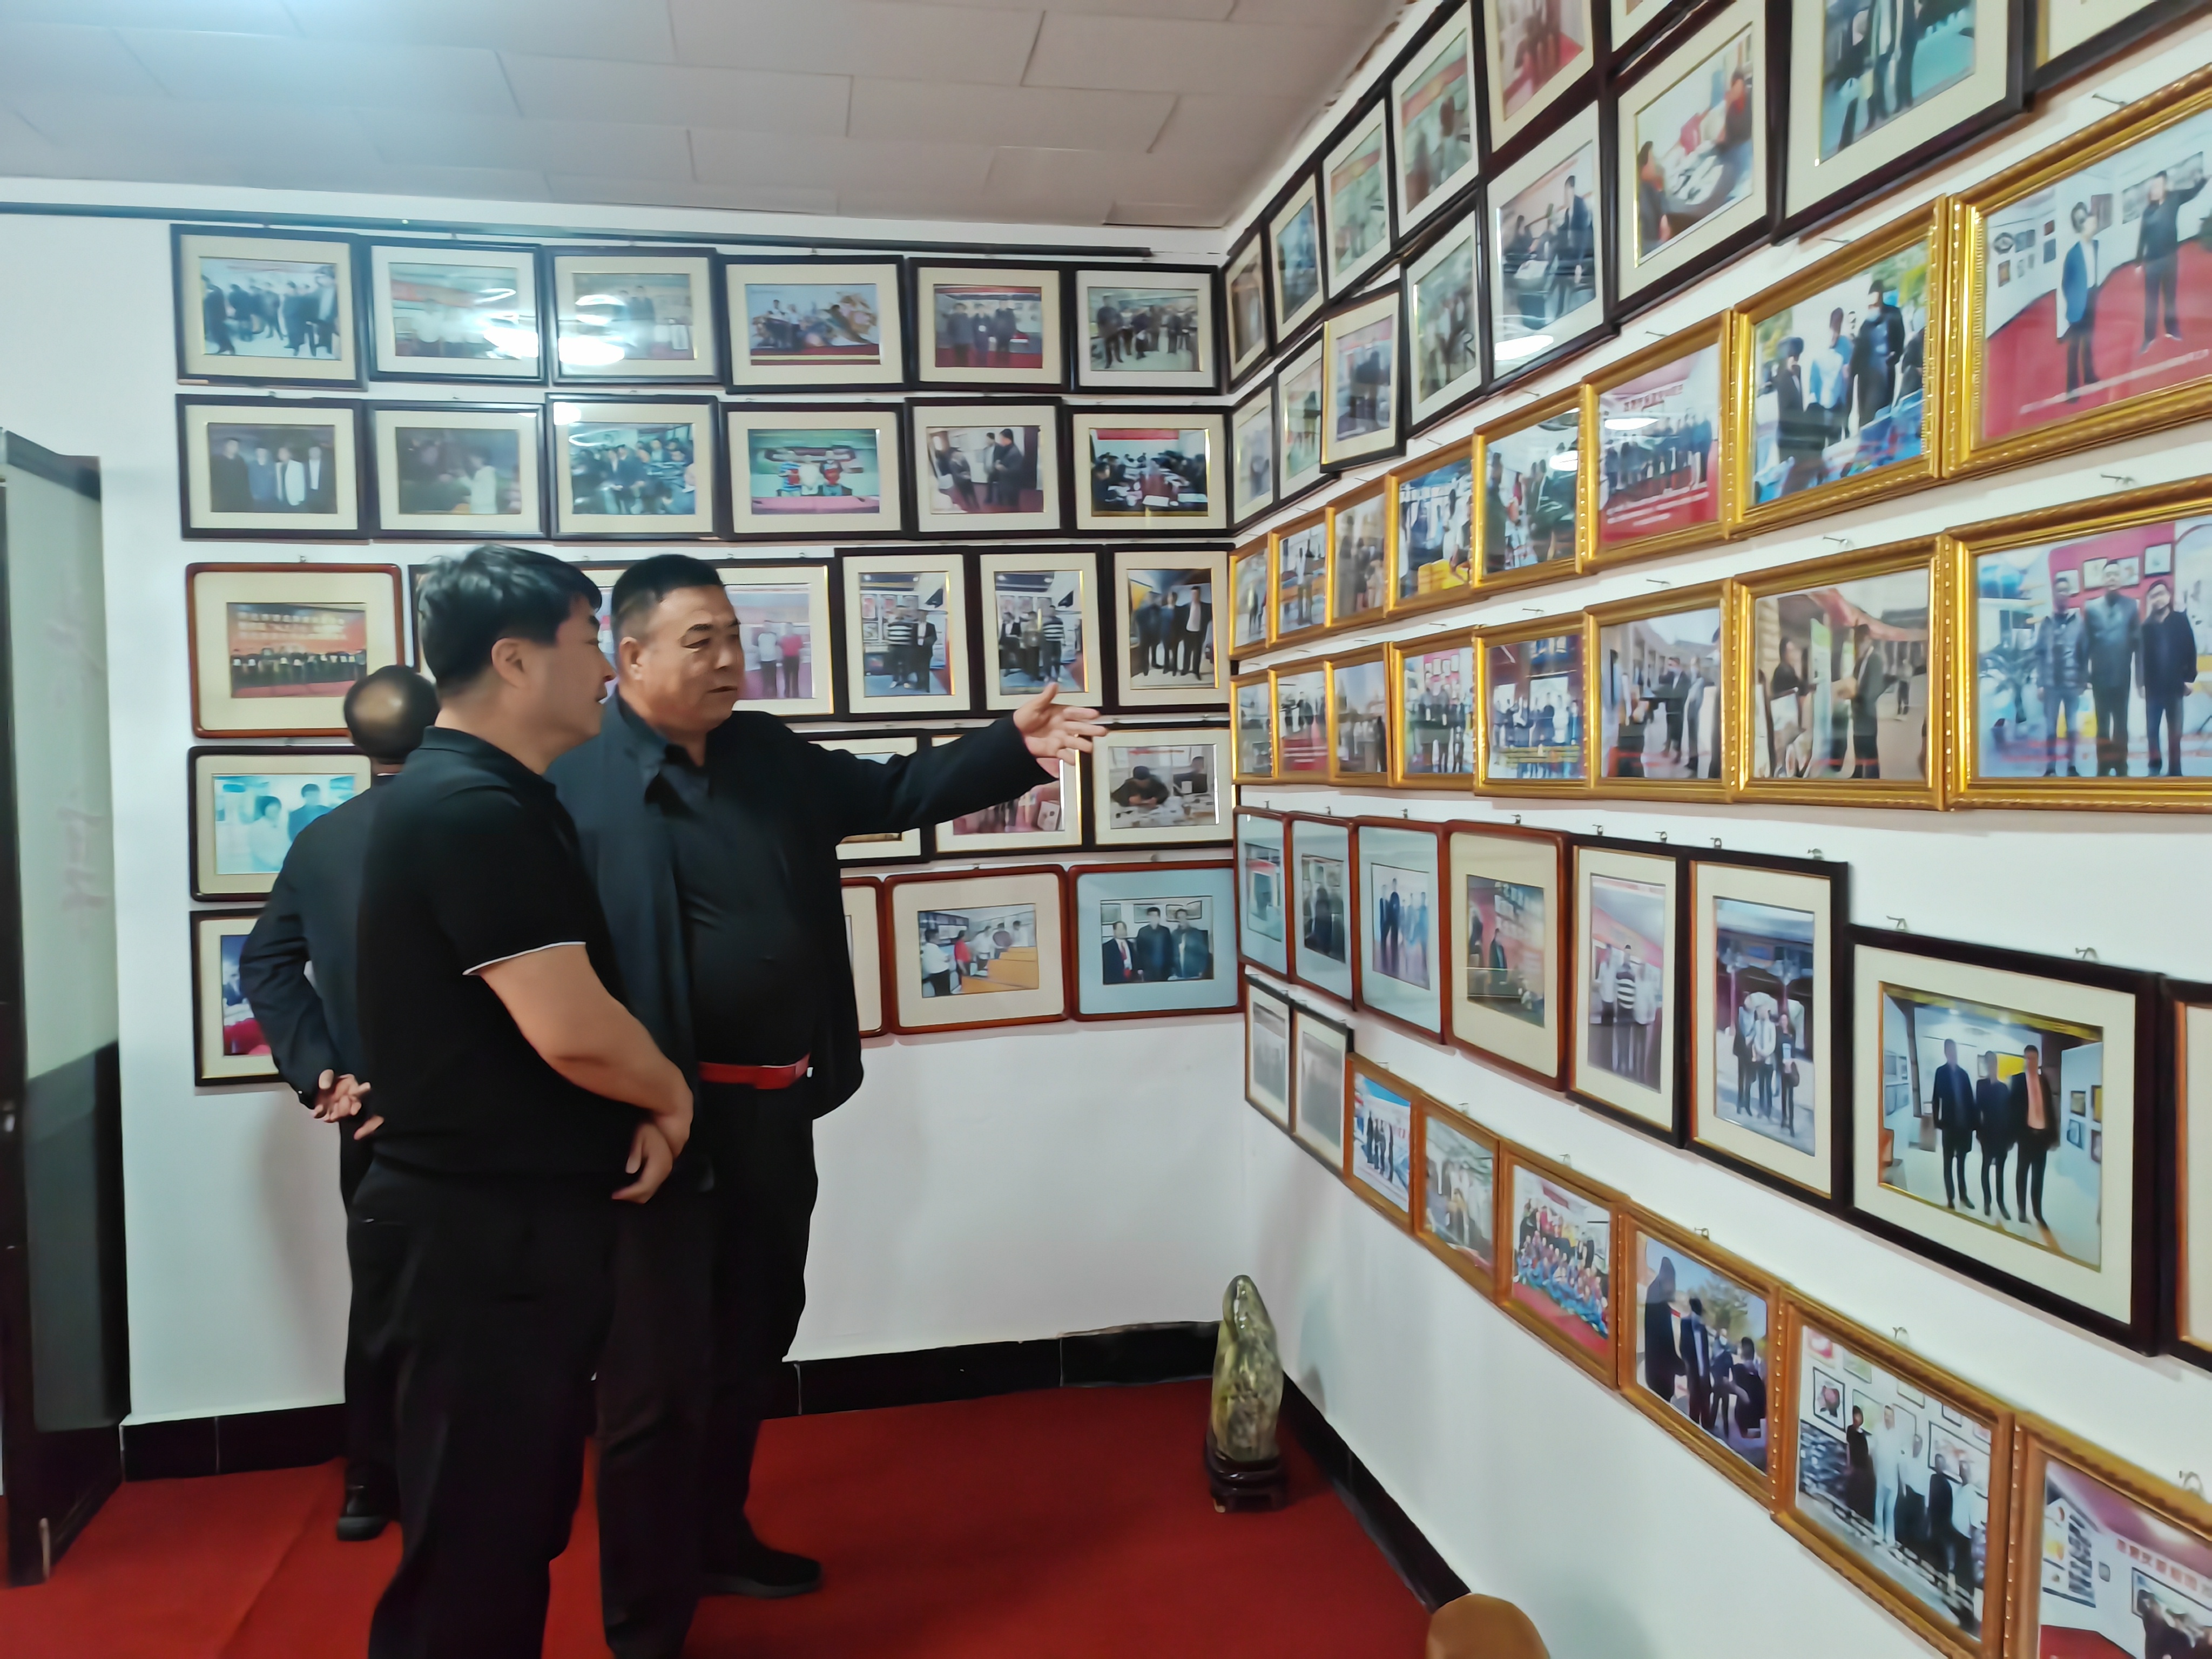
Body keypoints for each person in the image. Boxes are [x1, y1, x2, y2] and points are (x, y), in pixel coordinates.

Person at [548, 554, 1098, 1658]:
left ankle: (717, 1538)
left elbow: (889, 793)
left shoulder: (765, 754)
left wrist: (1009, 745)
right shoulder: (572, 783)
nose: (728, 660)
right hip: (655, 1124)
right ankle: (645, 1618)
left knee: (754, 1338)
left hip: (771, 1112)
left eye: (733, 637)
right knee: (654, 1381)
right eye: (699, 641)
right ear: (630, 654)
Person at [347, 547, 694, 1659]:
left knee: (507, 1525)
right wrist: (671, 1100)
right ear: (513, 659)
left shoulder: (493, 796)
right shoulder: (468, 809)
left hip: (506, 1229)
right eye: (589, 641)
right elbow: (571, 1026)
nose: (605, 668)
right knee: (473, 1548)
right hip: (474, 1240)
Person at [238, 666, 441, 1544]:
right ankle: (454, 1474)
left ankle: (371, 1479)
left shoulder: (322, 839)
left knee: (383, 1298)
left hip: (368, 1113)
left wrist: (324, 1072)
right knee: (479, 1299)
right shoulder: (479, 825)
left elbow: (265, 964)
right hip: (467, 1111)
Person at [2137, 169, 2206, 350]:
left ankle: (2172, 328)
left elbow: (2192, 192)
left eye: (2159, 185)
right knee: (2151, 302)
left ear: (2165, 186)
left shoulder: (2174, 198)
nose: (2155, 189)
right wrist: (2138, 261)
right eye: (2154, 186)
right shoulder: (2148, 212)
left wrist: (2203, 180)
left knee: (2170, 297)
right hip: (2152, 263)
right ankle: (2149, 337)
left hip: (2170, 259)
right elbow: (2143, 237)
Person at [2084, 565, 2142, 777]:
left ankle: (2121, 764)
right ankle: (2103, 765)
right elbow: (2086, 643)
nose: (2112, 578)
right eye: (2108, 574)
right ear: (2103, 579)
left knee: (2121, 724)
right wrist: (2084, 676)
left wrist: (2141, 680)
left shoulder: (2132, 606)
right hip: (2098, 678)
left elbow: (2138, 644)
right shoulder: (2091, 608)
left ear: (2122, 579)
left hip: (2122, 676)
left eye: (2116, 574)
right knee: (2102, 725)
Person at [2142, 580, 2197, 777]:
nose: (2158, 599)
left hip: (2175, 687)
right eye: (2154, 596)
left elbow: (2191, 650)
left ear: (2168, 595)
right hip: (2153, 689)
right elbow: (2142, 659)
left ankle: (2175, 771)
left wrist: (2189, 679)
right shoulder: (2146, 627)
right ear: (2150, 600)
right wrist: (2141, 684)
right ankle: (2154, 766)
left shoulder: (2180, 620)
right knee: (2152, 731)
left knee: (2175, 733)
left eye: (2161, 594)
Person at [2035, 599, 2088, 777]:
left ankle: (2072, 766)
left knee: (2072, 728)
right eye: (2059, 591)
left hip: (2072, 684)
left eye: (2066, 591)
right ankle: (2051, 768)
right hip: (2051, 685)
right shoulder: (2046, 623)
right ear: (2055, 596)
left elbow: (2084, 652)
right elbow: (2040, 655)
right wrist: (2040, 683)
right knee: (2051, 729)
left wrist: (2084, 680)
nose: (2062, 595)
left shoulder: (2078, 622)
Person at [2011, 1042, 2059, 1230]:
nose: (2031, 1062)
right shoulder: (2017, 1081)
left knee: (2039, 1177)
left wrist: (2053, 1135)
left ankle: (2038, 1213)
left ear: (2038, 1060)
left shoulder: (2044, 1081)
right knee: (2022, 1174)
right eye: (2028, 1058)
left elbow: (2050, 1109)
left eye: (2034, 1059)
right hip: (2026, 1137)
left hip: (2042, 1138)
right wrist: (2016, 1136)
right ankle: (2022, 1211)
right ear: (2025, 1060)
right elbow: (2012, 1111)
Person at [1931, 1037, 1977, 1210]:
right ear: (1945, 1052)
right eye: (1950, 1050)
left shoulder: (1963, 1074)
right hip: (1949, 1126)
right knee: (1948, 1163)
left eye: (1955, 1050)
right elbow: (1936, 1098)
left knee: (1961, 1164)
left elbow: (1971, 1101)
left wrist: (1973, 1126)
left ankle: (1963, 1196)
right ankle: (1951, 1198)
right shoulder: (1941, 1073)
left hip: (1963, 1127)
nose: (1953, 1053)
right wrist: (1937, 1121)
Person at [2062, 203, 2100, 397]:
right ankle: (2072, 389)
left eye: (2086, 217)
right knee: (2074, 347)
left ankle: (2089, 375)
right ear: (2079, 226)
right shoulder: (2072, 254)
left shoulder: (2096, 245)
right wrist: (2074, 303)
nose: (2088, 221)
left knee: (2089, 341)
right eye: (2082, 220)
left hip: (2092, 297)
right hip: (2077, 306)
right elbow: (2066, 284)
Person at [1974, 1049, 2012, 1220]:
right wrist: (1979, 1132)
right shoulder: (1981, 1085)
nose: (1992, 1066)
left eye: (1994, 1063)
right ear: (1986, 1065)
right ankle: (1987, 1201)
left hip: (2002, 1135)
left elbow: (2009, 1113)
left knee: (2000, 1171)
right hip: (1987, 1134)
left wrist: (2010, 1139)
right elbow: (1978, 1110)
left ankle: (2001, 1203)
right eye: (1989, 1063)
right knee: (1986, 1167)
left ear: (1997, 1064)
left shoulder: (2004, 1088)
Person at [1641, 1256, 1680, 1404]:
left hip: (1653, 1373)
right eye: (1672, 1281)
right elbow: (1666, 1346)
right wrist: (1683, 1367)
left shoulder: (1655, 1300)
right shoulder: (1661, 1308)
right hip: (1662, 1377)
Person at [1678, 1294, 1714, 1431]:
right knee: (1694, 1400)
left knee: (1705, 1401)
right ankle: (1693, 1428)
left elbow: (1705, 1352)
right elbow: (1684, 1347)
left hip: (1704, 1372)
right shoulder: (1686, 1323)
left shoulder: (1702, 1329)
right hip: (1693, 1370)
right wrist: (1688, 1365)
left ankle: (1706, 1427)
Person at [1845, 1405, 1877, 1523]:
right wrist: (1850, 1465)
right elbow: (1850, 1447)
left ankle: (1860, 1515)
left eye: (1859, 1416)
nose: (1857, 1419)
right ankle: (1850, 1513)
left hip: (1864, 1467)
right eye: (1855, 1416)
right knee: (1853, 1490)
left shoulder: (1863, 1434)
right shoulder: (1851, 1431)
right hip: (1856, 1466)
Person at [1132, 905, 1175, 984]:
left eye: (1156, 916)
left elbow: (1170, 949)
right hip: (1148, 968)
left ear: (1159, 917)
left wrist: (1172, 966)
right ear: (1148, 917)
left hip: (1164, 968)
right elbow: (1139, 951)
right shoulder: (1143, 932)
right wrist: (1140, 968)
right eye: (1152, 916)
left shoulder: (1165, 931)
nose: (1154, 918)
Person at [1171, 909, 1211, 981]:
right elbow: (1171, 954)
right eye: (1179, 918)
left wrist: (1201, 970)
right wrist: (1173, 971)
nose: (1182, 919)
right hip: (1179, 974)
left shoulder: (1196, 933)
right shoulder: (1174, 934)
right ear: (1177, 920)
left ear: (1187, 918)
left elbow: (1203, 954)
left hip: (1194, 973)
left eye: (1183, 917)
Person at [1102, 920, 1136, 984]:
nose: (1122, 932)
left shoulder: (1132, 945)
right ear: (1114, 932)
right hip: (1115, 980)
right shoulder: (1107, 947)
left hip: (1131, 980)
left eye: (1124, 929)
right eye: (1120, 930)